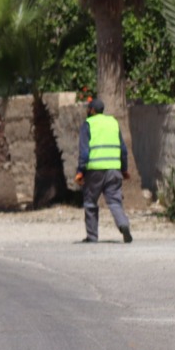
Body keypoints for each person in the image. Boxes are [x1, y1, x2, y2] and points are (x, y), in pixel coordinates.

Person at [76, 97, 132, 244]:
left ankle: (92, 237)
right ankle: (123, 224)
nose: (87, 111)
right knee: (114, 202)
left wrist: (80, 171)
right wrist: (124, 169)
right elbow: (123, 150)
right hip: (114, 169)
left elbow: (84, 152)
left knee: (90, 203)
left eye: (88, 109)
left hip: (94, 170)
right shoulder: (113, 122)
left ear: (92, 110)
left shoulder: (88, 124)